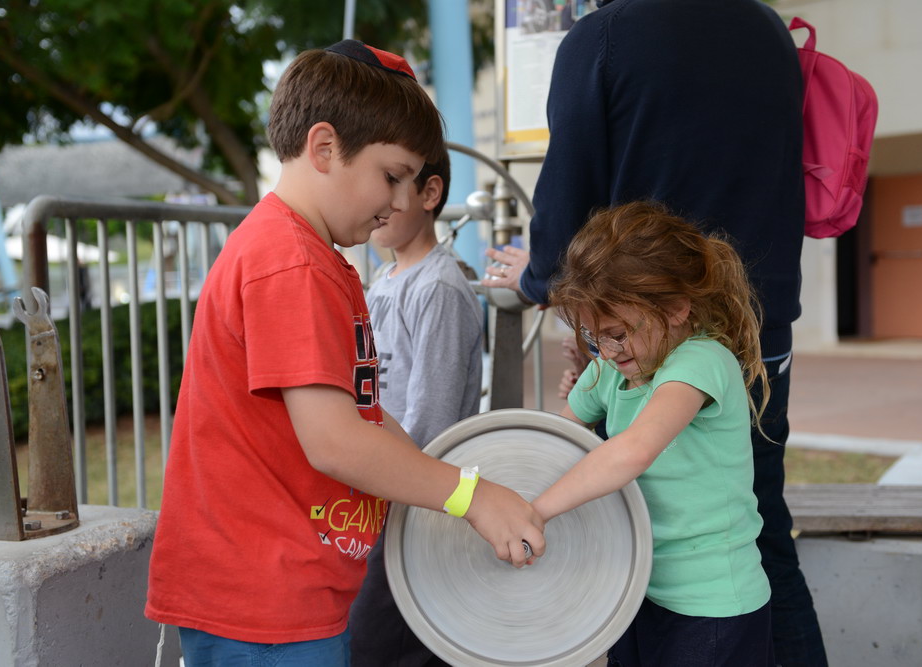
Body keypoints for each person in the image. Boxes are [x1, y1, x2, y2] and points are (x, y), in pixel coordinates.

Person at [144, 40, 545, 667]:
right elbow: (335, 440)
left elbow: (364, 413)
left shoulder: (313, 258)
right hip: (264, 608)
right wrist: (470, 496)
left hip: (290, 593)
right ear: (325, 147)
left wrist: (456, 491)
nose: (399, 203)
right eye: (391, 176)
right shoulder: (290, 262)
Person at [484, 1, 827, 664]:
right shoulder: (765, 27)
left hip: (647, 310)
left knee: (638, 522)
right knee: (759, 532)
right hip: (757, 323)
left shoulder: (605, 37)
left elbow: (562, 208)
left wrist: (541, 281)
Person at [534, 200, 775, 665]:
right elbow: (555, 440)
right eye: (594, 338)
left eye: (618, 333)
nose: (607, 351)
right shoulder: (611, 368)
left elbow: (633, 451)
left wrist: (536, 510)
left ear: (676, 308)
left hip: (712, 608)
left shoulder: (700, 362)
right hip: (637, 590)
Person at [349, 153, 483, 666]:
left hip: (409, 501)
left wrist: (387, 476)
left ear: (429, 193)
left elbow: (432, 419)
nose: (378, 201)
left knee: (384, 644)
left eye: (392, 183)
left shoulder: (439, 289)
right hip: (375, 491)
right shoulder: (385, 279)